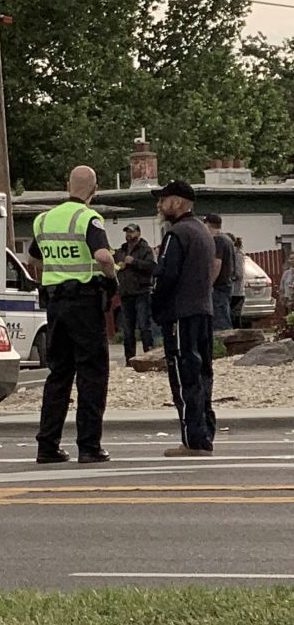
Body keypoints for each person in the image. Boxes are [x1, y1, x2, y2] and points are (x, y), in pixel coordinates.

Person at [29, 166, 117, 465]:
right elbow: (103, 256)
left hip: (56, 305)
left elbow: (32, 257)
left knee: (59, 375)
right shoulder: (88, 218)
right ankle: (89, 446)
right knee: (92, 374)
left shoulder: (43, 219)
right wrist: (112, 276)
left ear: (68, 185)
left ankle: (47, 445)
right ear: (95, 189)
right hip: (84, 303)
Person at [151, 180, 217, 457]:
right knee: (203, 375)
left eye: (164, 200)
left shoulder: (176, 234)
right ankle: (205, 433)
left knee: (183, 375)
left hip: (180, 314)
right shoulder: (203, 232)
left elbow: (166, 276)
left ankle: (192, 439)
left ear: (178, 203)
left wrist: (155, 305)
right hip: (203, 311)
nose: (160, 205)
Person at [112, 224, 158, 364]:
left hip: (142, 292)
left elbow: (152, 267)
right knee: (127, 329)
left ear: (138, 232)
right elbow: (112, 264)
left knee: (144, 326)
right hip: (125, 293)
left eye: (131, 232)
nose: (128, 235)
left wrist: (134, 262)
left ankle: (149, 356)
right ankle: (129, 359)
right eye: (127, 232)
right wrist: (118, 266)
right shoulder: (121, 251)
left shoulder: (146, 249)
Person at [205, 215, 235, 335]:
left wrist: (210, 283)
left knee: (220, 322)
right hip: (226, 284)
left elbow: (217, 264)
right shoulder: (228, 240)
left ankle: (224, 346)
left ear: (207, 224)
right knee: (224, 315)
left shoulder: (217, 241)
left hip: (218, 287)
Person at [229, 233, 247, 327]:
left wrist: (230, 278)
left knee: (234, 317)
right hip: (234, 291)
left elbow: (239, 273)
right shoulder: (234, 253)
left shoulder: (237, 254)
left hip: (236, 291)